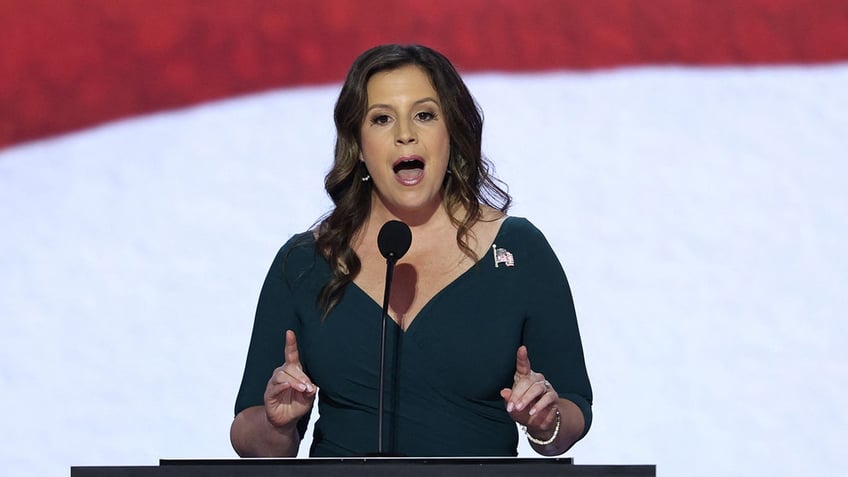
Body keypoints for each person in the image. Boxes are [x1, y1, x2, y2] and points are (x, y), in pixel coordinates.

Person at [230, 44, 592, 457]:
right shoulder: (305, 262)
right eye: (382, 119)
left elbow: (574, 406)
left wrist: (548, 421)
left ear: (452, 134)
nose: (405, 133)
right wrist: (279, 424)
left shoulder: (518, 251)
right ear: (359, 145)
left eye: (424, 115)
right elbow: (248, 429)